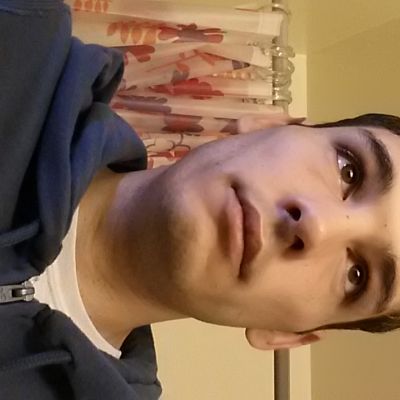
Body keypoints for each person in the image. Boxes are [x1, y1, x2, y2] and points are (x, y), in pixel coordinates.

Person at [1, 1, 400, 399]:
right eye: (349, 169)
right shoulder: (17, 26)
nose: (316, 225)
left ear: (285, 335)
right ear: (266, 123)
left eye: (357, 276)